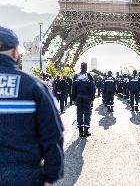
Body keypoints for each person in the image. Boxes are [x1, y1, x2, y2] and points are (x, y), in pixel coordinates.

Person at [0, 26, 64, 186]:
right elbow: (53, 134)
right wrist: (51, 177)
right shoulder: (34, 86)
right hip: (24, 176)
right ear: (16, 52)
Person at [72, 62, 95, 137]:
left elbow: (73, 88)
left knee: (79, 114)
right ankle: (86, 131)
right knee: (87, 114)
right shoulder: (89, 76)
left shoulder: (76, 76)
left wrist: (73, 98)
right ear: (86, 68)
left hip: (78, 97)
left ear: (80, 67)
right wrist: (92, 98)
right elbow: (92, 88)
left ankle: (80, 132)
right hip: (87, 97)